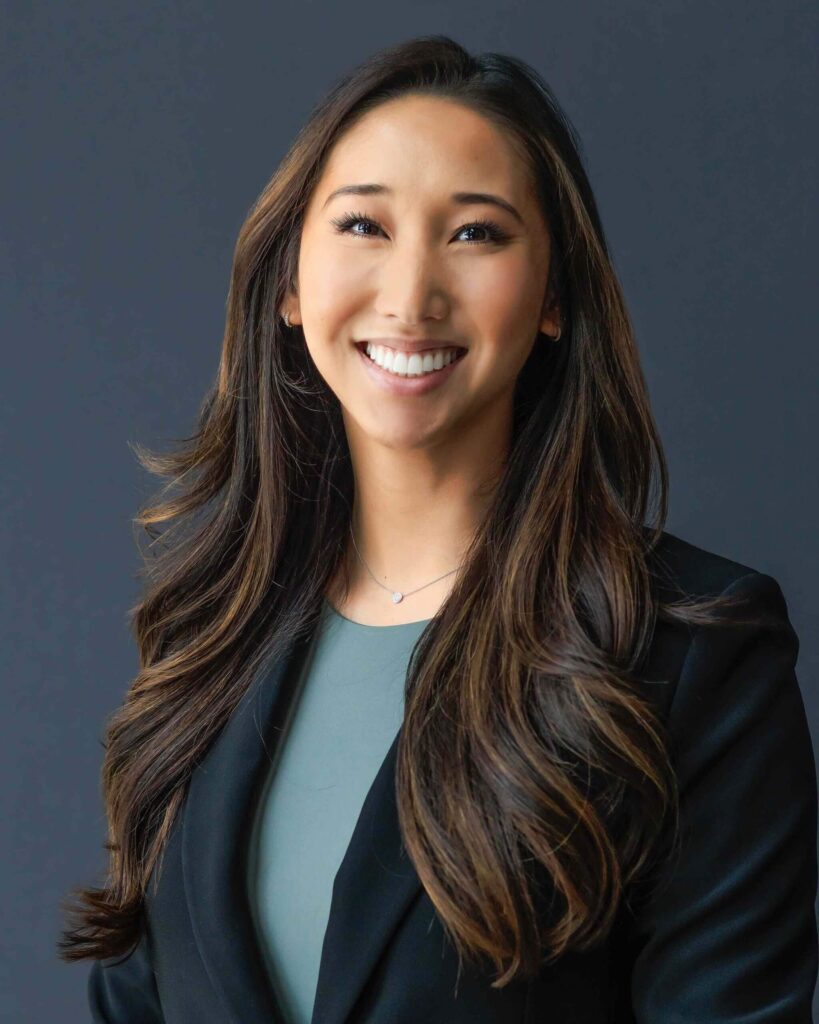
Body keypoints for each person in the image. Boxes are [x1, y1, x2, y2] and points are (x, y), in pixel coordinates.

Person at [58, 34, 817, 1023]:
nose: (411, 295)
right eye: (364, 225)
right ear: (291, 284)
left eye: (476, 235)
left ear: (553, 299)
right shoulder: (205, 642)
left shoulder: (695, 655)